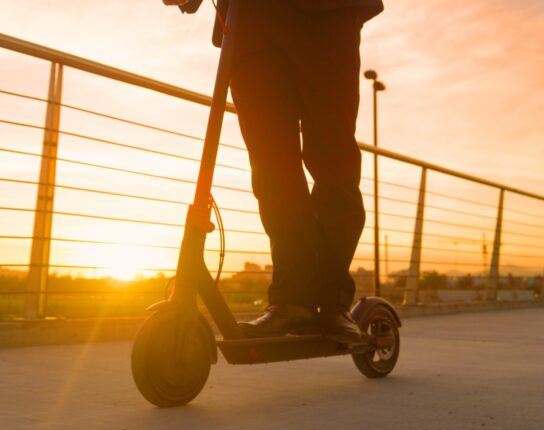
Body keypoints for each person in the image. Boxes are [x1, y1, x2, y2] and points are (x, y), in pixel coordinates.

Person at [164, 0, 384, 343]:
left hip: (328, 17)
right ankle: (292, 299)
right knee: (271, 168)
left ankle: (330, 302)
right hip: (249, 23)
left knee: (333, 157)